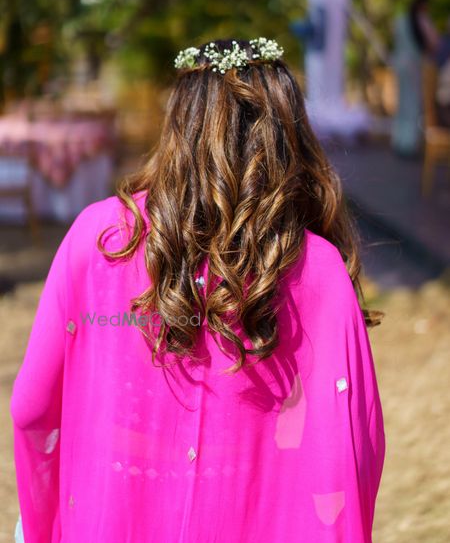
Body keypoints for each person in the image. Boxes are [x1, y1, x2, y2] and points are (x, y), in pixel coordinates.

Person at [10, 38, 385, 542]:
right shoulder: (317, 268)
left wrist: (42, 523)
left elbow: (32, 408)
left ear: (178, 121)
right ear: (287, 131)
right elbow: (355, 443)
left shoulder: (99, 239)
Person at [391, 0, 440, 157]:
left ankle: (400, 140)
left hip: (401, 66)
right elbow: (434, 43)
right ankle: (409, 143)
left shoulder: (400, 20)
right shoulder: (422, 20)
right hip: (415, 67)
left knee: (402, 105)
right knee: (412, 105)